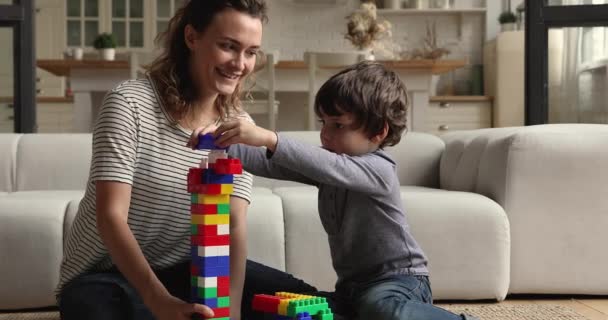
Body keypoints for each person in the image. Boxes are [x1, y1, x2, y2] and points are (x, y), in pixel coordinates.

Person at [190, 61, 479, 320]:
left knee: (380, 308)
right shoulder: (330, 167)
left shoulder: (379, 170)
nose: (325, 133)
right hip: (351, 291)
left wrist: (269, 137)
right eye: (324, 123)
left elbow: (326, 165)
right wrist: (223, 142)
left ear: (378, 131)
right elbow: (274, 164)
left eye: (338, 124)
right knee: (283, 303)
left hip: (399, 282)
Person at [57, 1, 267, 319]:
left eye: (251, 52)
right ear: (192, 38)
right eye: (228, 46)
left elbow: (233, 223)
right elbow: (111, 217)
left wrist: (232, 309)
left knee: (301, 299)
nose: (240, 64)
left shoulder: (239, 124)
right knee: (94, 307)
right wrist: (159, 300)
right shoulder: (128, 103)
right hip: (108, 273)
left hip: (193, 267)